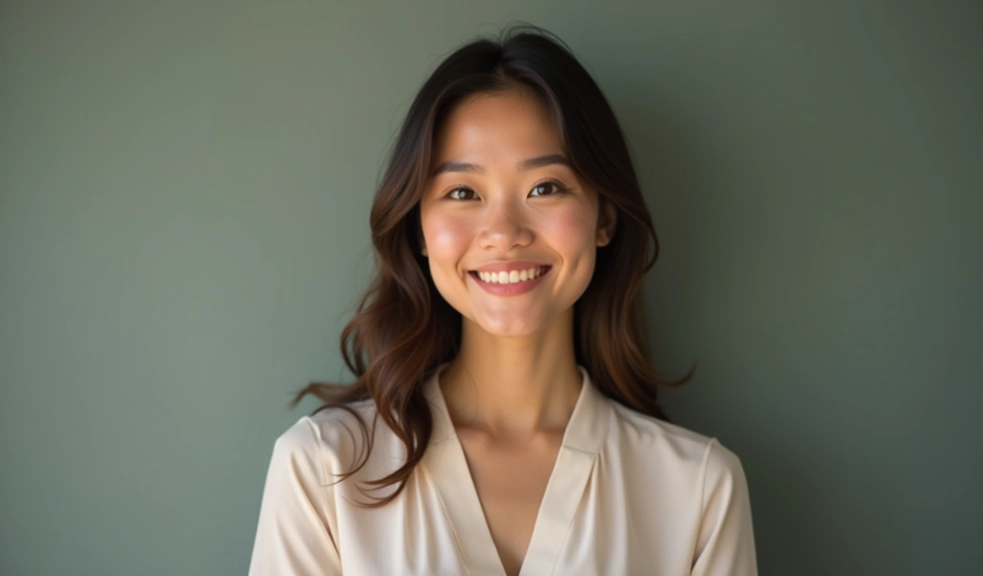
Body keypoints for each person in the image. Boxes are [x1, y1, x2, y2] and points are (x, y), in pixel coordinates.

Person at [248, 23, 757, 576]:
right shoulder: (324, 469)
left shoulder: (699, 489)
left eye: (546, 187)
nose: (504, 231)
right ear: (419, 230)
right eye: (462, 193)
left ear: (604, 217)